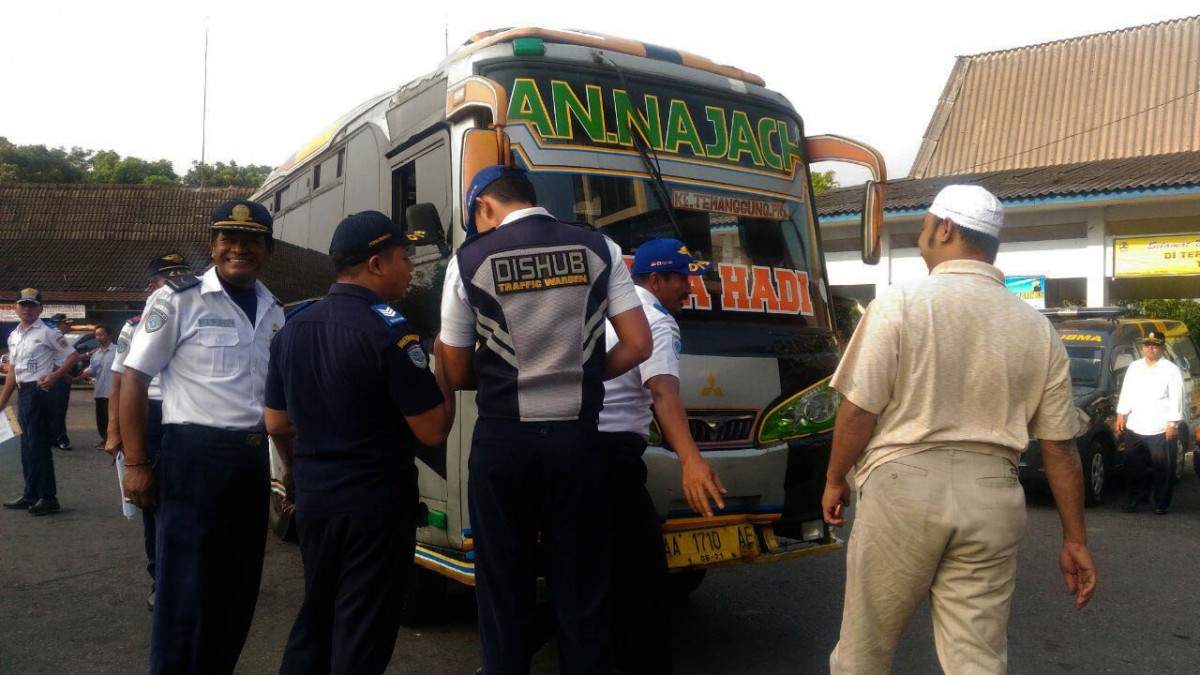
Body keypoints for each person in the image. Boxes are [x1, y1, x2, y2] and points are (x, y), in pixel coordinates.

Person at [821, 185, 1097, 674]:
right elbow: (1059, 447)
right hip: (993, 493)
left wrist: (834, 479)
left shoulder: (900, 302)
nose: (922, 238)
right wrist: (1074, 539)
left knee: (864, 653)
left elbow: (859, 412)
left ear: (945, 229)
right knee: (976, 660)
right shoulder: (1036, 328)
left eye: (926, 227)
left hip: (903, 487)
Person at [438, 165, 652, 674]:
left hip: (503, 443)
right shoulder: (600, 249)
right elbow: (640, 344)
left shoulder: (467, 260)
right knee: (583, 588)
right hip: (579, 441)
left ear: (484, 206)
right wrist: (585, 374)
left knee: (503, 587)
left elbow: (455, 368)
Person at [266, 211, 455, 674]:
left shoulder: (293, 327)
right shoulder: (390, 330)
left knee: (319, 614)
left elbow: (275, 422)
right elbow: (432, 430)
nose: (410, 269)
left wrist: (292, 473)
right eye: (403, 259)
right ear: (375, 264)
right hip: (373, 506)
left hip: (315, 499)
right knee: (364, 628)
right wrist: (446, 373)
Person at [120, 200, 286, 674]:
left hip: (252, 460)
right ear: (212, 246)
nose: (239, 248)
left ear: (268, 249)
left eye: (251, 240)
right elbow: (133, 378)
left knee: (238, 587)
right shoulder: (178, 298)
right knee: (186, 590)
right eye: (228, 239)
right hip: (194, 459)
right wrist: (136, 463)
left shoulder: (274, 309)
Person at [596, 237, 727, 674]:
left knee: (590, 574)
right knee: (647, 585)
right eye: (682, 279)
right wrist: (692, 460)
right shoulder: (654, 319)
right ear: (656, 278)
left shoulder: (603, 309)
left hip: (575, 452)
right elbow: (663, 392)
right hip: (614, 462)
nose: (690, 288)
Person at [106, 252, 195, 611]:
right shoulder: (135, 324)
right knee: (153, 502)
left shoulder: (196, 312)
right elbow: (118, 383)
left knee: (191, 500)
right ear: (151, 285)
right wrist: (115, 433)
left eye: (180, 275)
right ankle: (161, 577)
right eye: (164, 278)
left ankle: (194, 574)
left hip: (187, 416)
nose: (172, 283)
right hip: (149, 414)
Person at [0, 289, 80, 515]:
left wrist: (54, 376)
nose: (27, 309)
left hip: (41, 392)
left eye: (32, 305)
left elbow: (72, 356)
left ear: (40, 309)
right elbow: (13, 371)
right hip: (24, 393)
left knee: (39, 445)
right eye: (23, 305)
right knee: (26, 447)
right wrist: (3, 401)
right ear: (15, 307)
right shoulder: (14, 335)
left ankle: (48, 497)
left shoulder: (48, 332)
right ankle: (30, 493)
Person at [1115, 330, 1183, 515]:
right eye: (1147, 345)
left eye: (1154, 345)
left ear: (1161, 347)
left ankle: (1161, 503)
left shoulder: (1171, 370)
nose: (1150, 349)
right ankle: (1137, 500)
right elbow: (1126, 391)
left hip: (1160, 428)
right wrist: (1121, 413)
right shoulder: (1135, 367)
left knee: (1162, 469)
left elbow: (1177, 398)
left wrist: (1173, 423)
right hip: (1135, 426)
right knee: (1132, 466)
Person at [78, 324, 115, 449]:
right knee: (101, 419)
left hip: (113, 392)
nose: (98, 337)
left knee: (113, 419)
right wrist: (76, 379)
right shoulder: (96, 354)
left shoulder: (118, 352)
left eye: (101, 334)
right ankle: (104, 440)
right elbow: (91, 371)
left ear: (109, 335)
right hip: (100, 392)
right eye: (97, 335)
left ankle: (113, 440)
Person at [46, 312, 73, 450]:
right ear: (59, 324)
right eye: (67, 323)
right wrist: (63, 374)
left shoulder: (53, 334)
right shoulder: (55, 335)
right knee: (59, 409)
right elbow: (52, 361)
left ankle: (53, 437)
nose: (69, 326)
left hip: (53, 377)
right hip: (58, 378)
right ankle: (60, 438)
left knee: (54, 409)